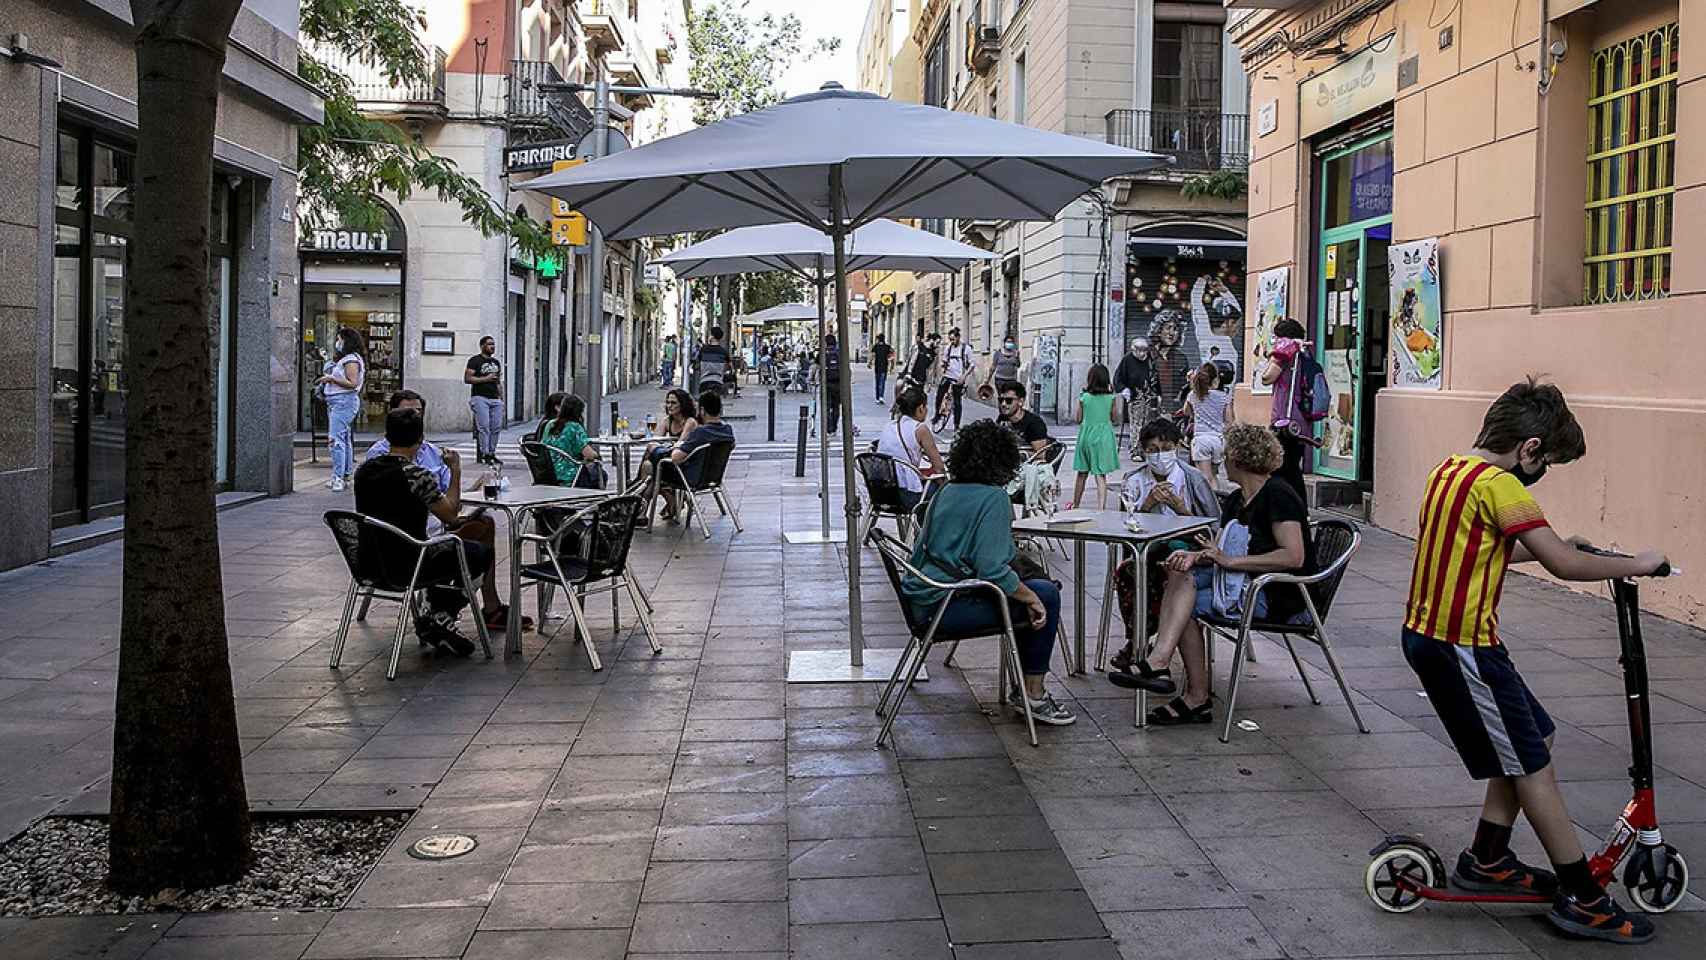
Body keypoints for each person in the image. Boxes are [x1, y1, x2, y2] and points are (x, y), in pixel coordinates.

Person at [1402, 379, 1667, 945]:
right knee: (1532, 767)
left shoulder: (1449, 470)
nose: (1542, 470)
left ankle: (1489, 859)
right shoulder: (1502, 487)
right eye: (1547, 460)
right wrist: (1635, 564)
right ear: (1529, 448)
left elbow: (1479, 546)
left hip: (1445, 639)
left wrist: (1558, 543)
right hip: (1461, 647)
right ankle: (1584, 897)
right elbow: (1565, 567)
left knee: (1534, 741)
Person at [1113, 423, 1313, 725]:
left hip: (1276, 594)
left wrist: (1230, 561)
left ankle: (1190, 690)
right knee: (1179, 573)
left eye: (1227, 454)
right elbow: (1217, 548)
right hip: (1240, 583)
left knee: (1187, 605)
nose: (1221, 460)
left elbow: (1293, 556)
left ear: (1240, 459)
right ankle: (1162, 663)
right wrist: (1193, 556)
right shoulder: (1236, 500)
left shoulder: (1278, 494)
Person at [899, 419, 1075, 726]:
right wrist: (1031, 596)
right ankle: (1033, 694)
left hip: (923, 598)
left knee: (1028, 591)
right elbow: (992, 569)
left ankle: (1026, 686)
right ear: (1004, 460)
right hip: (945, 607)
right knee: (1045, 596)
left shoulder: (946, 491)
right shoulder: (994, 498)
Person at [355, 408, 527, 652]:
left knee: (466, 542)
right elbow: (451, 515)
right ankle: (441, 612)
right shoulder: (415, 475)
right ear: (420, 439)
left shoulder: (364, 472)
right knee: (480, 554)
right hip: (411, 561)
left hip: (369, 561)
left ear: (387, 436)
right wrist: (455, 471)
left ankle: (438, 613)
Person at [1104, 418, 1222, 675]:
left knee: (1169, 568)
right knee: (1130, 572)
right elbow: (1123, 528)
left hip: (1187, 549)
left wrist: (1181, 509)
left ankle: (1145, 647)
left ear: (1177, 447)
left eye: (1166, 448)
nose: (1160, 455)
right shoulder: (1134, 480)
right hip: (1146, 548)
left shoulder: (1193, 479)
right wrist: (1146, 506)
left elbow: (1211, 530)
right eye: (1153, 450)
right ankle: (1138, 640)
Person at [1258, 318, 1313, 501]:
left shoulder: (1284, 352)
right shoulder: (1304, 352)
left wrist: (1270, 359)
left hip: (1284, 419)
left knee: (1281, 467)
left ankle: (1291, 510)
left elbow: (1267, 378)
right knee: (1292, 467)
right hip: (1301, 419)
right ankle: (1300, 510)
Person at [875, 386, 947, 514]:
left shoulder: (889, 425)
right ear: (920, 408)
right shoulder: (920, 429)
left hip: (880, 493)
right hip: (905, 495)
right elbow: (939, 468)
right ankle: (926, 530)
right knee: (941, 490)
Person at [317, 327, 366, 492]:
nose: (337, 343)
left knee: (335, 440)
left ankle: (338, 477)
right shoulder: (349, 359)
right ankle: (344, 474)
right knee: (343, 439)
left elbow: (352, 383)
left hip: (343, 402)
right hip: (340, 402)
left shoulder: (351, 360)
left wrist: (331, 379)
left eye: (339, 339)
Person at [639, 389, 700, 522]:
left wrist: (658, 447)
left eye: (673, 402)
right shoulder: (668, 421)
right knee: (648, 465)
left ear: (682, 404)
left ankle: (642, 509)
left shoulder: (690, 422)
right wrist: (657, 446)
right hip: (666, 463)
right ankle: (668, 501)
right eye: (667, 402)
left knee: (649, 468)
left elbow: (680, 445)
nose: (669, 406)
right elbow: (654, 440)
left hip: (682, 466)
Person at [1067, 363, 1121, 509]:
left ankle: (1076, 504)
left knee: (1081, 473)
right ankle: (1101, 508)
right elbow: (1115, 419)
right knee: (1100, 474)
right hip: (1103, 437)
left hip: (1086, 435)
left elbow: (1078, 418)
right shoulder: (1111, 398)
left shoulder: (1084, 397)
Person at [669, 390, 735, 489]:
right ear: (720, 410)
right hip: (714, 478)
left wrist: (677, 446)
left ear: (702, 410)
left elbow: (675, 458)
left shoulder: (700, 432)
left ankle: (647, 500)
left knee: (654, 466)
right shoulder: (727, 430)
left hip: (692, 478)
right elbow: (732, 445)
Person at [1183, 362, 1233, 487]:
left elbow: (1186, 412)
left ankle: (1210, 504)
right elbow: (1229, 421)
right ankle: (1218, 501)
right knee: (1214, 476)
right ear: (1216, 380)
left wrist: (1192, 387)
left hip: (1201, 440)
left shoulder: (1193, 395)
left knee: (1206, 479)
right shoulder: (1224, 397)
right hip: (1218, 441)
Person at [540, 395, 599, 487]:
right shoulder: (575, 428)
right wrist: (597, 456)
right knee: (600, 474)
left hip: (548, 473)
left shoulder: (550, 425)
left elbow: (542, 445)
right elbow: (589, 454)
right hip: (569, 474)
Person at [465, 336, 503, 465]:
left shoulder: (496, 362)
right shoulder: (475, 361)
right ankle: (484, 453)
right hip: (480, 397)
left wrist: (501, 398)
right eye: (489, 344)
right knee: (484, 427)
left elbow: (498, 382)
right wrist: (486, 379)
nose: (492, 347)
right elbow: (468, 379)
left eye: (493, 344)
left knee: (496, 427)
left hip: (495, 398)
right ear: (482, 346)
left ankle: (492, 452)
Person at [933, 328, 974, 431]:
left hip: (959, 377)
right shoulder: (948, 348)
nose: (952, 342)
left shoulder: (966, 349)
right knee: (939, 395)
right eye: (950, 339)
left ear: (958, 337)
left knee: (957, 402)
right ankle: (937, 415)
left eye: (953, 339)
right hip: (948, 375)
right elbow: (944, 361)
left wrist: (964, 376)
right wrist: (943, 366)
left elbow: (972, 365)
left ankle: (956, 424)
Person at [997, 381, 1052, 456]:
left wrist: (1012, 455)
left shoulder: (1035, 424)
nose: (1003, 404)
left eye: (1008, 400)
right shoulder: (1002, 418)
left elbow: (1040, 455)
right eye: (1001, 400)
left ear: (1020, 402)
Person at [982, 334, 1022, 400]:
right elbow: (993, 366)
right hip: (1000, 380)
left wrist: (1017, 357)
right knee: (1001, 397)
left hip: (1011, 379)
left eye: (1011, 342)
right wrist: (988, 379)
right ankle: (1001, 409)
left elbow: (1018, 365)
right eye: (1008, 342)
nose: (1009, 343)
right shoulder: (998, 353)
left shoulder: (1015, 353)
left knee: (1009, 398)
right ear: (1004, 343)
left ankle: (1006, 409)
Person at [823, 333, 844, 436]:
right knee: (836, 406)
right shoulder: (840, 352)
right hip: (838, 384)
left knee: (826, 406)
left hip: (826, 383)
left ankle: (828, 428)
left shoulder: (823, 353)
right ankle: (834, 428)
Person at [871, 332, 894, 403]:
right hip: (884, 367)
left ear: (878, 339)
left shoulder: (875, 346)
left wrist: (869, 363)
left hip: (877, 367)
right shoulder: (887, 347)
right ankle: (881, 397)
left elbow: (873, 355)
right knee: (882, 383)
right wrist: (892, 366)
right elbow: (892, 356)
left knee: (877, 383)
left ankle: (877, 398)